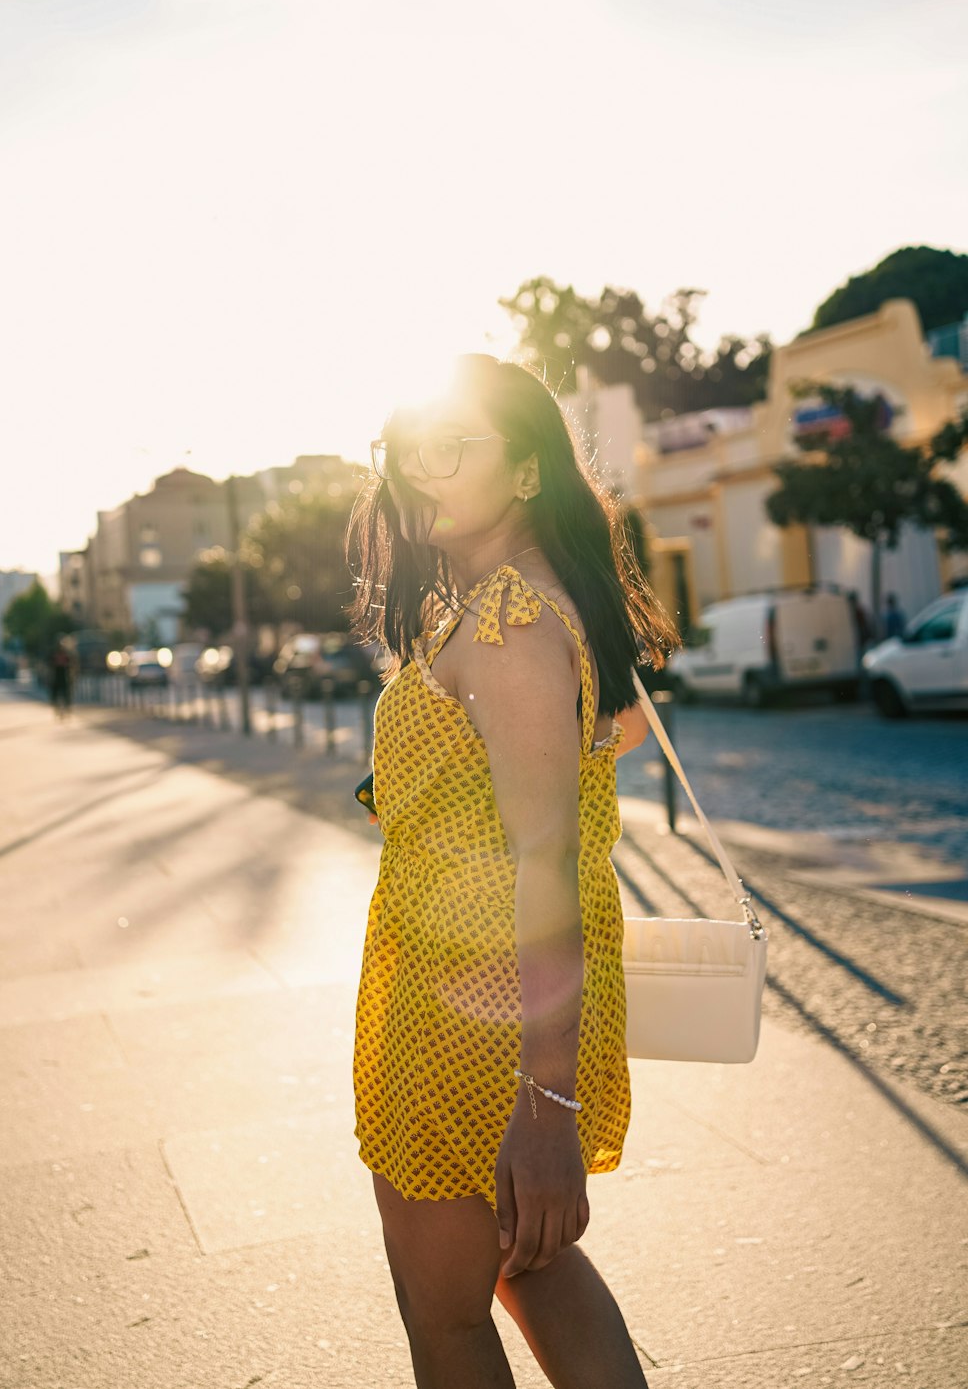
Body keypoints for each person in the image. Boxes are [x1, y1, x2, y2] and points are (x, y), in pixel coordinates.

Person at [346, 352, 679, 1388]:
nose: (419, 469)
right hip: (467, 992)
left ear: (528, 471)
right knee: (530, 1269)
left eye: (452, 447)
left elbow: (545, 862)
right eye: (409, 452)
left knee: (442, 1312)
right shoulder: (516, 605)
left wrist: (546, 1107)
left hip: (476, 1015)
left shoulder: (510, 621)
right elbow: (603, 740)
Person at [47, 637, 74, 719]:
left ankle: (67, 707)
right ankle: (56, 706)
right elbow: (49, 665)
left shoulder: (67, 654)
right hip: (56, 677)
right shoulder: (53, 654)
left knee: (66, 693)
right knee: (55, 692)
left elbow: (71, 664)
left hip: (64, 677)